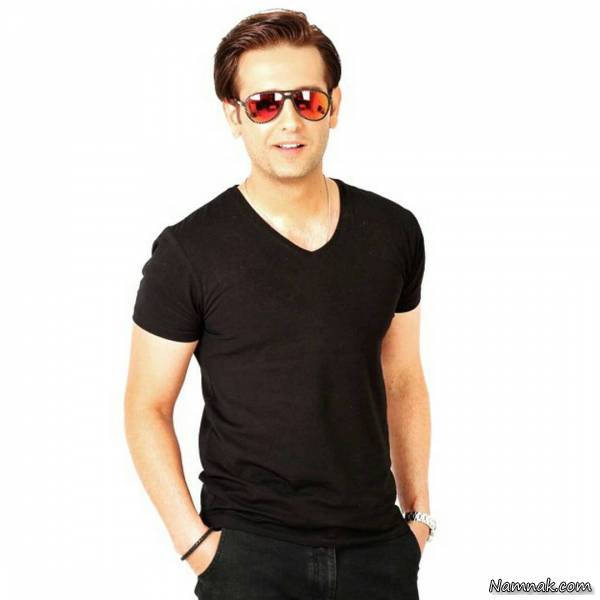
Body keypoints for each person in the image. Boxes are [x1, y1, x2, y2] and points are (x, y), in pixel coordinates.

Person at [124, 9, 435, 599]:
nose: (289, 121)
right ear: (233, 115)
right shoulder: (188, 252)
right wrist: (198, 547)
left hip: (379, 554)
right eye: (264, 104)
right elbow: (146, 405)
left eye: (308, 100)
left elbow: (402, 377)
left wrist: (417, 517)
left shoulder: (393, 232)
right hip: (249, 555)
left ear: (334, 106)